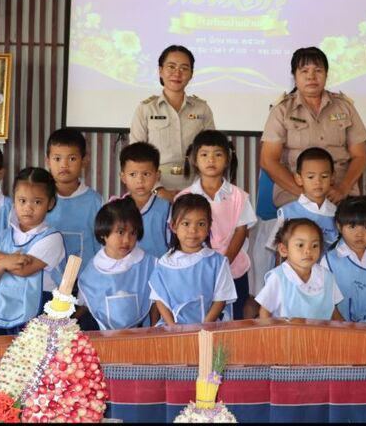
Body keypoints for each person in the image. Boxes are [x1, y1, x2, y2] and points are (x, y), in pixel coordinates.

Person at [260, 47, 366, 208]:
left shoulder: (344, 107)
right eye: (304, 71)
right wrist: (305, 195)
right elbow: (268, 160)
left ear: (326, 75)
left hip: (340, 195)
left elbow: (360, 156)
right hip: (295, 195)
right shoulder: (282, 110)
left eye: (318, 70)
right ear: (294, 76)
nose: (311, 76)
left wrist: (343, 189)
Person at [175, 130, 257, 320]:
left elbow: (241, 231)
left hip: (233, 269)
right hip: (197, 271)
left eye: (218, 154)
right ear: (194, 159)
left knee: (233, 319)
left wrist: (223, 263)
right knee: (200, 319)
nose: (211, 160)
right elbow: (182, 235)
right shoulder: (184, 197)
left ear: (227, 159)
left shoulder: (239, 196)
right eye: (204, 154)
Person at [0, 168, 65, 335]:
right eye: (22, 201)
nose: (28, 208)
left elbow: (23, 269)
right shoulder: (1, 237)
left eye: (37, 202)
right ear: (14, 201)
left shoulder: (52, 238)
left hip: (38, 312)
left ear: (51, 203)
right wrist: (4, 263)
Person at [129, 45, 215, 199]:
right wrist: (158, 189)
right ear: (160, 71)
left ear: (191, 74)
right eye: (171, 67)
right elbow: (135, 157)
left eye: (184, 68)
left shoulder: (202, 109)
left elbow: (211, 152)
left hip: (196, 188)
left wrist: (200, 189)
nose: (177, 73)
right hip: (154, 188)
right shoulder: (146, 109)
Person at [148, 194, 236, 325]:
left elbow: (220, 300)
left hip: (208, 328)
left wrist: (204, 327)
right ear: (173, 226)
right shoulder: (164, 264)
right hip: (173, 330)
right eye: (186, 223)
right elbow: (160, 300)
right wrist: (173, 327)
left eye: (201, 224)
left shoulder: (217, 262)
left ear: (209, 226)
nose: (193, 230)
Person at [76, 198, 158, 331]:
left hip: (142, 334)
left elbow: (156, 302)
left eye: (133, 233)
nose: (126, 240)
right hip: (103, 335)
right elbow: (86, 304)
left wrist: (155, 330)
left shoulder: (149, 264)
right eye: (120, 232)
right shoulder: (92, 271)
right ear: (103, 233)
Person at [321, 196, 366, 324]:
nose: (359, 234)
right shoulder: (329, 260)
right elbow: (326, 300)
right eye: (352, 226)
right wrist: (345, 328)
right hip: (339, 329)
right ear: (339, 226)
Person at [256, 218, 344, 320]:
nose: (308, 251)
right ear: (283, 250)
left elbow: (333, 311)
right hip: (285, 331)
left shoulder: (327, 277)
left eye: (314, 245)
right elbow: (264, 313)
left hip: (321, 331)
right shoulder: (278, 277)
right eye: (300, 245)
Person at [44, 128, 103, 269]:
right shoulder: (38, 199)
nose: (64, 165)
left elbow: (103, 247)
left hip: (84, 279)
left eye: (72, 159)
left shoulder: (96, 202)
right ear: (48, 161)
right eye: (57, 159)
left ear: (84, 161)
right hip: (45, 280)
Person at [266, 147, 338, 256]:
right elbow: (278, 251)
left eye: (324, 176)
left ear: (332, 177)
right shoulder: (287, 212)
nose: (318, 182)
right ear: (299, 179)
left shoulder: (336, 213)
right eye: (311, 177)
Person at [118, 142, 170, 259]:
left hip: (157, 268)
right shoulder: (115, 209)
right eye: (133, 174)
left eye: (146, 174)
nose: (140, 180)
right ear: (123, 177)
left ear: (157, 175)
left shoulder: (167, 209)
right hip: (125, 267)